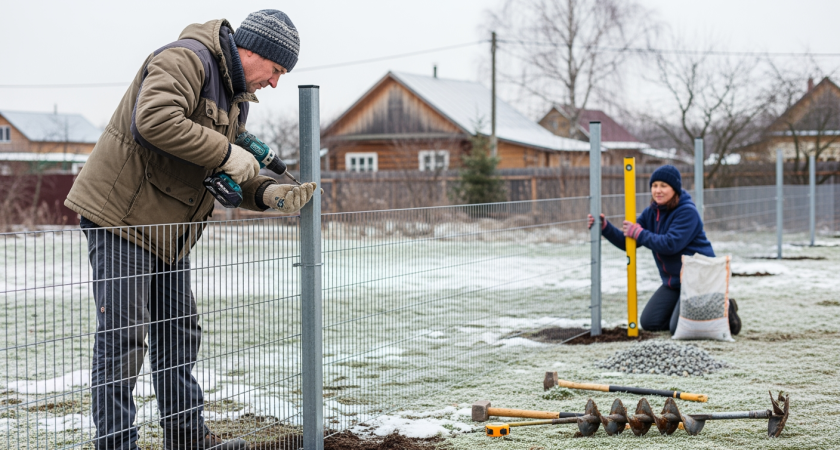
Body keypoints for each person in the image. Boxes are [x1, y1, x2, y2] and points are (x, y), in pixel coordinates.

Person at [64, 10, 315, 450]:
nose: (275, 83)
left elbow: (232, 165)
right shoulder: (186, 59)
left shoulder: (233, 97)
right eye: (276, 70)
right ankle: (117, 444)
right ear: (253, 51)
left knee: (179, 335)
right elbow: (155, 120)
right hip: (121, 218)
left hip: (169, 231)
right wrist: (225, 152)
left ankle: (187, 440)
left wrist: (270, 193)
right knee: (124, 340)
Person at [588, 165, 741, 336]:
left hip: (699, 280)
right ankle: (682, 307)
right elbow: (629, 243)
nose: (658, 190)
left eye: (663, 186)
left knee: (678, 328)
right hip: (674, 283)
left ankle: (725, 308)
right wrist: (605, 228)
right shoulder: (651, 213)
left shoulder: (687, 212)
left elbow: (670, 245)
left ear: (674, 189)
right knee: (650, 322)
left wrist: (639, 233)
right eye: (654, 186)